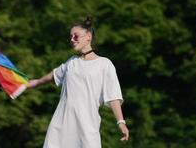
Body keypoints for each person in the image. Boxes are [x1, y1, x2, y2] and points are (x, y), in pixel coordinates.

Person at [26, 17, 129, 148]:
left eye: (76, 36)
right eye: (70, 37)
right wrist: (31, 83)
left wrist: (121, 122)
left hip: (86, 129)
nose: (72, 40)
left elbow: (113, 96)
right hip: (60, 127)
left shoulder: (104, 64)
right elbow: (52, 76)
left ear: (88, 36)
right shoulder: (72, 62)